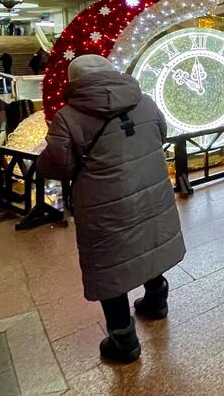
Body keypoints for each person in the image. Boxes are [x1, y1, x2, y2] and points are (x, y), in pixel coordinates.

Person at [37, 55, 185, 363]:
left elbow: (57, 165)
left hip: (104, 204)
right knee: (147, 242)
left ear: (74, 81)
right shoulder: (143, 101)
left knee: (109, 264)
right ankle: (157, 301)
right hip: (149, 191)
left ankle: (123, 339)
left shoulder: (68, 117)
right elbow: (161, 133)